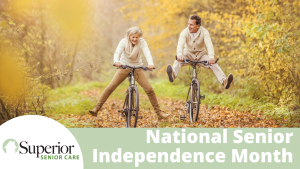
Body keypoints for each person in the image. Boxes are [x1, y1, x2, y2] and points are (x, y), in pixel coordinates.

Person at [89, 27, 169, 120]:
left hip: (138, 68)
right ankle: (96, 109)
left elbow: (147, 52)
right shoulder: (123, 41)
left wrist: (150, 63)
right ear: (129, 36)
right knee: (111, 87)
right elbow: (117, 52)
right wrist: (116, 61)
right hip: (124, 67)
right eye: (133, 37)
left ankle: (159, 114)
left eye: (137, 37)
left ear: (139, 37)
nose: (135, 39)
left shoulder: (142, 42)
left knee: (149, 89)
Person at [166, 14, 233, 89]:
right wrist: (179, 54)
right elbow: (180, 44)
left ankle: (224, 81)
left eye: (191, 24)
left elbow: (209, 45)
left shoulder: (204, 32)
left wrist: (211, 57)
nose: (189, 26)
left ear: (198, 25)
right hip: (188, 54)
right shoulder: (184, 32)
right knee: (178, 61)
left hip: (201, 55)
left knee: (214, 64)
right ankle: (173, 74)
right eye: (188, 24)